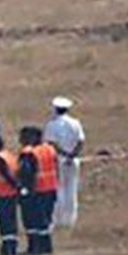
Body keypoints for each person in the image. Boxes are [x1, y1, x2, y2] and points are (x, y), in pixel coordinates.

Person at [44, 96, 85, 228]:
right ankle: (70, 219)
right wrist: (73, 155)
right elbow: (80, 141)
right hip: (74, 160)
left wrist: (64, 155)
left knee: (59, 188)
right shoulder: (75, 123)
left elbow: (51, 144)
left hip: (59, 160)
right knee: (72, 189)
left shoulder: (52, 125)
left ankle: (59, 219)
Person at [17, 126, 56, 255]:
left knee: (33, 221)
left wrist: (25, 189)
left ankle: (35, 248)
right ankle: (46, 247)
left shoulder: (29, 152)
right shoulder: (50, 149)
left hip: (36, 189)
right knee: (46, 220)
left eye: (23, 137)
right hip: (51, 188)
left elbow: (26, 172)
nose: (21, 140)